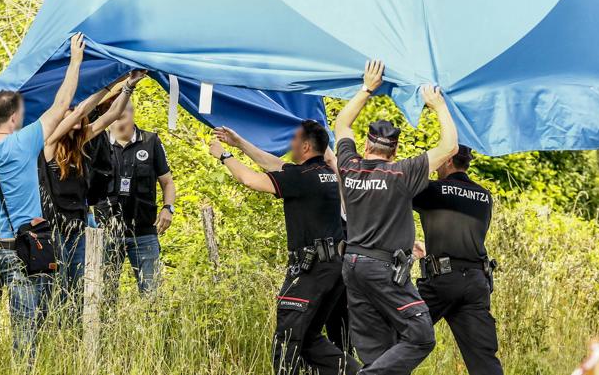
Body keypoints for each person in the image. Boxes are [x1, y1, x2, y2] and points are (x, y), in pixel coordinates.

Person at [334, 60, 459, 375]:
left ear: (365, 144)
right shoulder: (401, 173)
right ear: (395, 148)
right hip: (382, 271)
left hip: (352, 265)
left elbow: (342, 125)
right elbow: (450, 146)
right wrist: (438, 105)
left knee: (377, 351)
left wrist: (366, 88)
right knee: (420, 335)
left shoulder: (349, 166)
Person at [209, 122, 360, 375]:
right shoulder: (326, 174)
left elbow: (250, 179)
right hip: (333, 268)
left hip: (309, 270)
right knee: (309, 341)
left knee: (287, 340)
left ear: (306, 146)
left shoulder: (301, 178)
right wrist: (240, 143)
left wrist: (224, 155)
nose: (290, 144)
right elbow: (273, 165)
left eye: (294, 139)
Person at [0, 33, 84, 353]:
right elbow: (62, 105)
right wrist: (75, 60)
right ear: (14, 117)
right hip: (21, 249)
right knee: (25, 336)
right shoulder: (26, 142)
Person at [40, 70, 146, 308]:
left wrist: (128, 85)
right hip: (55, 229)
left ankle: (71, 337)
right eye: (72, 113)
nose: (79, 116)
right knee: (56, 289)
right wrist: (111, 81)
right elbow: (78, 110)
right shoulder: (48, 144)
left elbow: (112, 115)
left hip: (78, 227)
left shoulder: (81, 142)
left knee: (77, 291)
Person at [413, 145, 503, 375]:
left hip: (442, 282)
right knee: (483, 359)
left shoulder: (433, 190)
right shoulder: (484, 196)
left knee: (400, 335)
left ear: (448, 161)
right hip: (476, 282)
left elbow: (400, 190)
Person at [93, 98, 176, 296]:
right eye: (114, 117)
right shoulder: (99, 142)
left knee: (152, 296)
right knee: (104, 296)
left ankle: (152, 328)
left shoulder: (151, 141)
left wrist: (168, 208)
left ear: (132, 114)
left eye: (123, 116)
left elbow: (167, 182)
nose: (118, 122)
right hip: (107, 234)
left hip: (144, 232)